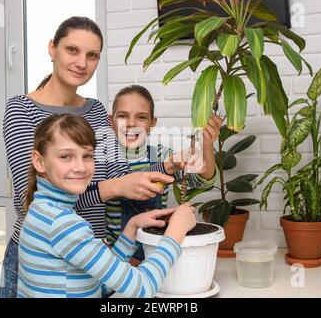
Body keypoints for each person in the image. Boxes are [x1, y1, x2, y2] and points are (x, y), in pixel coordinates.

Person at [0, 16, 175, 298]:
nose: (82, 62)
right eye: (72, 50)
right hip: (43, 261)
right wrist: (115, 188)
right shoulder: (22, 110)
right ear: (52, 49)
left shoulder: (94, 110)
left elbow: (121, 174)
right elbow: (27, 198)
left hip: (94, 252)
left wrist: (166, 166)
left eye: (92, 55)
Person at [18, 113, 196, 298]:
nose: (80, 167)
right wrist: (176, 232)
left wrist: (132, 226)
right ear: (39, 161)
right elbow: (142, 288)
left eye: (87, 155)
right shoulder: (62, 224)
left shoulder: (41, 210)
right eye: (66, 156)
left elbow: (98, 284)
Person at [109, 85, 222, 263]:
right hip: (114, 257)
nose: (131, 123)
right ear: (111, 121)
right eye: (123, 116)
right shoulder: (100, 162)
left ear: (152, 123)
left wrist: (207, 144)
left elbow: (204, 180)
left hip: (153, 255)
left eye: (141, 117)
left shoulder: (162, 155)